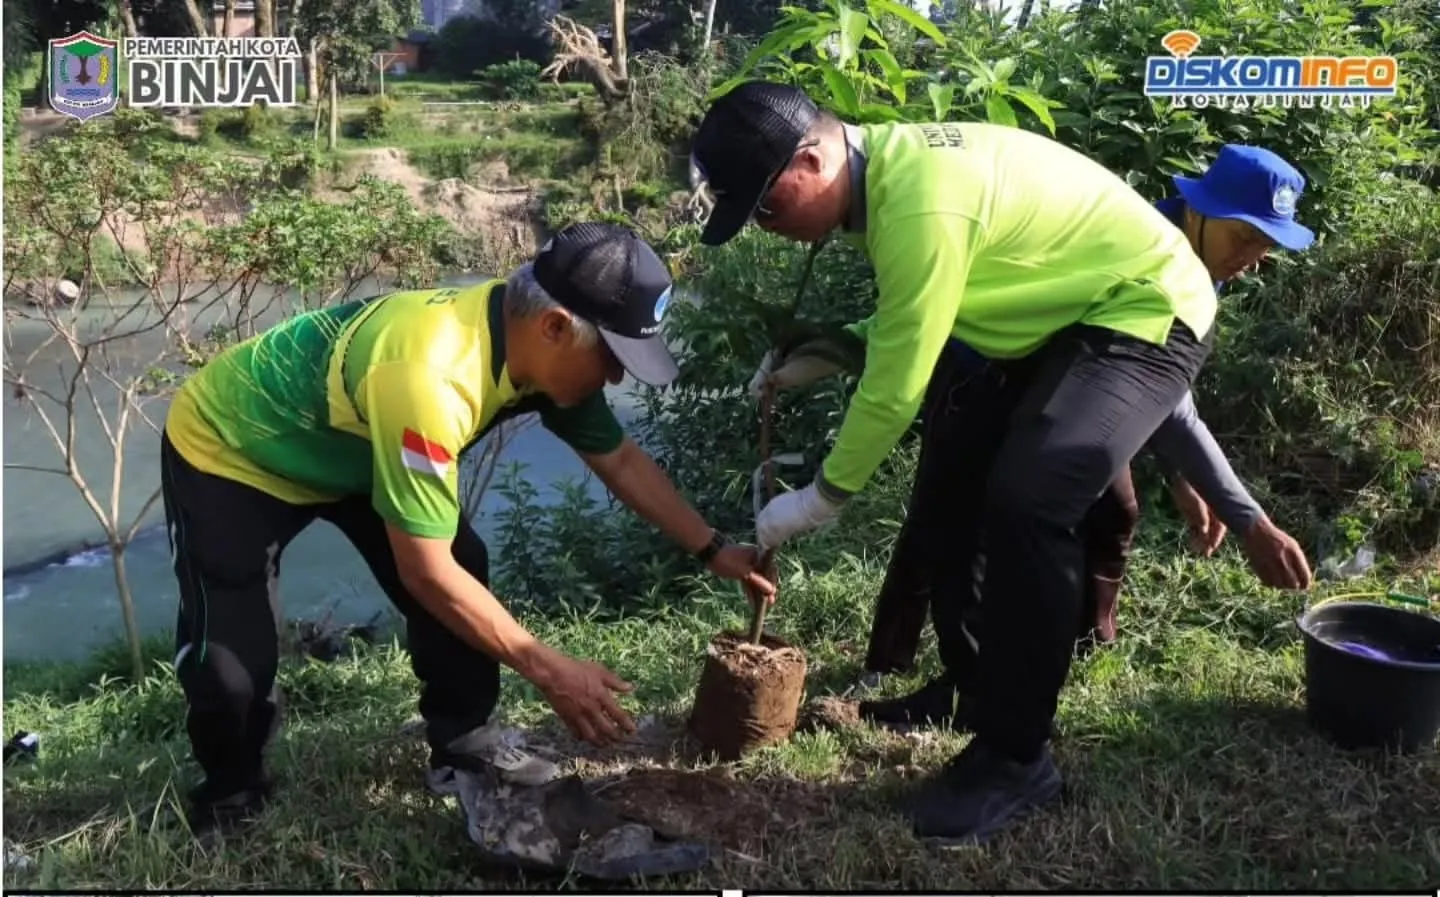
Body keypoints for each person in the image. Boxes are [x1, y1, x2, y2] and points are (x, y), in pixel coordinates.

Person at [688, 81, 1305, 842]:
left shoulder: (918, 197)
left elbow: (896, 384)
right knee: (951, 490)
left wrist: (820, 497)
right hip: (1058, 324)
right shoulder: (895, 184)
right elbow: (916, 312)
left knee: (1032, 495)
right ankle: (974, 686)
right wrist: (828, 350)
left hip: (1144, 308)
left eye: (767, 207)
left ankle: (1018, 755)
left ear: (813, 159)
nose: (768, 227)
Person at [161, 222, 776, 836]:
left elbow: (617, 458)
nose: (614, 380)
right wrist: (548, 668)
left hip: (359, 448)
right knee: (230, 660)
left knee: (463, 563)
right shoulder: (433, 379)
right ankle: (231, 789)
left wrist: (712, 546)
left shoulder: (537, 351)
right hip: (236, 450)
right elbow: (425, 574)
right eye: (612, 359)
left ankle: (465, 739)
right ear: (556, 326)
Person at [753, 145, 1318, 726]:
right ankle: (956, 685)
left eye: (1266, 247)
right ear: (1200, 208)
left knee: (1104, 509)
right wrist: (1246, 517)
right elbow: (1166, 401)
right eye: (1245, 238)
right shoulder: (1150, 245)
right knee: (956, 528)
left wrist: (1189, 479)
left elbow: (1158, 390)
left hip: (1056, 390)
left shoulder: (1196, 259)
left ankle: (1064, 651)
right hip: (977, 371)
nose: (1251, 258)